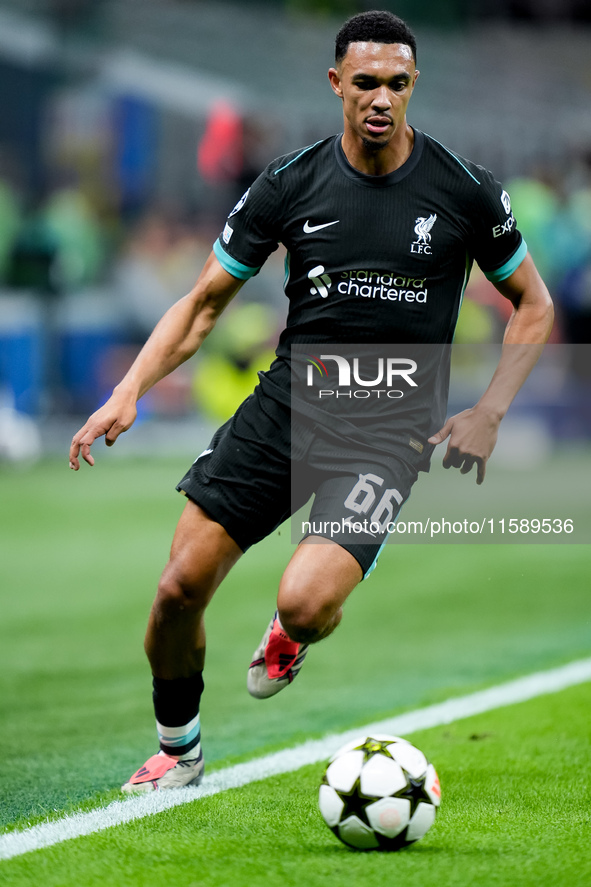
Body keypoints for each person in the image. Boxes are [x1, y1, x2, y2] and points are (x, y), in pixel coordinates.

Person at [69, 11, 553, 792]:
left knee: (303, 604)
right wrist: (129, 391)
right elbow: (201, 304)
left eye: (396, 83)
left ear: (413, 86)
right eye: (365, 82)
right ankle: (179, 748)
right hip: (288, 410)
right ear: (336, 84)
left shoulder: (463, 190)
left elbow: (532, 304)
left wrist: (489, 409)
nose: (380, 98)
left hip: (388, 433)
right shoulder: (290, 182)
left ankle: (289, 635)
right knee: (176, 590)